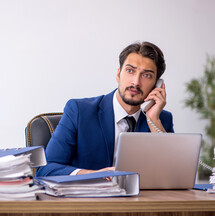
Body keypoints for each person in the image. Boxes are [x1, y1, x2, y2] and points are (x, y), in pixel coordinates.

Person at [37, 41, 174, 177]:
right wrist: (93, 175)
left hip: (142, 198)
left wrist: (153, 120)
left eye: (147, 75)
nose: (136, 82)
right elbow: (46, 169)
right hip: (91, 197)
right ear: (118, 74)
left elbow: (173, 175)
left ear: (157, 85)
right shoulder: (79, 111)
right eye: (130, 71)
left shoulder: (161, 120)